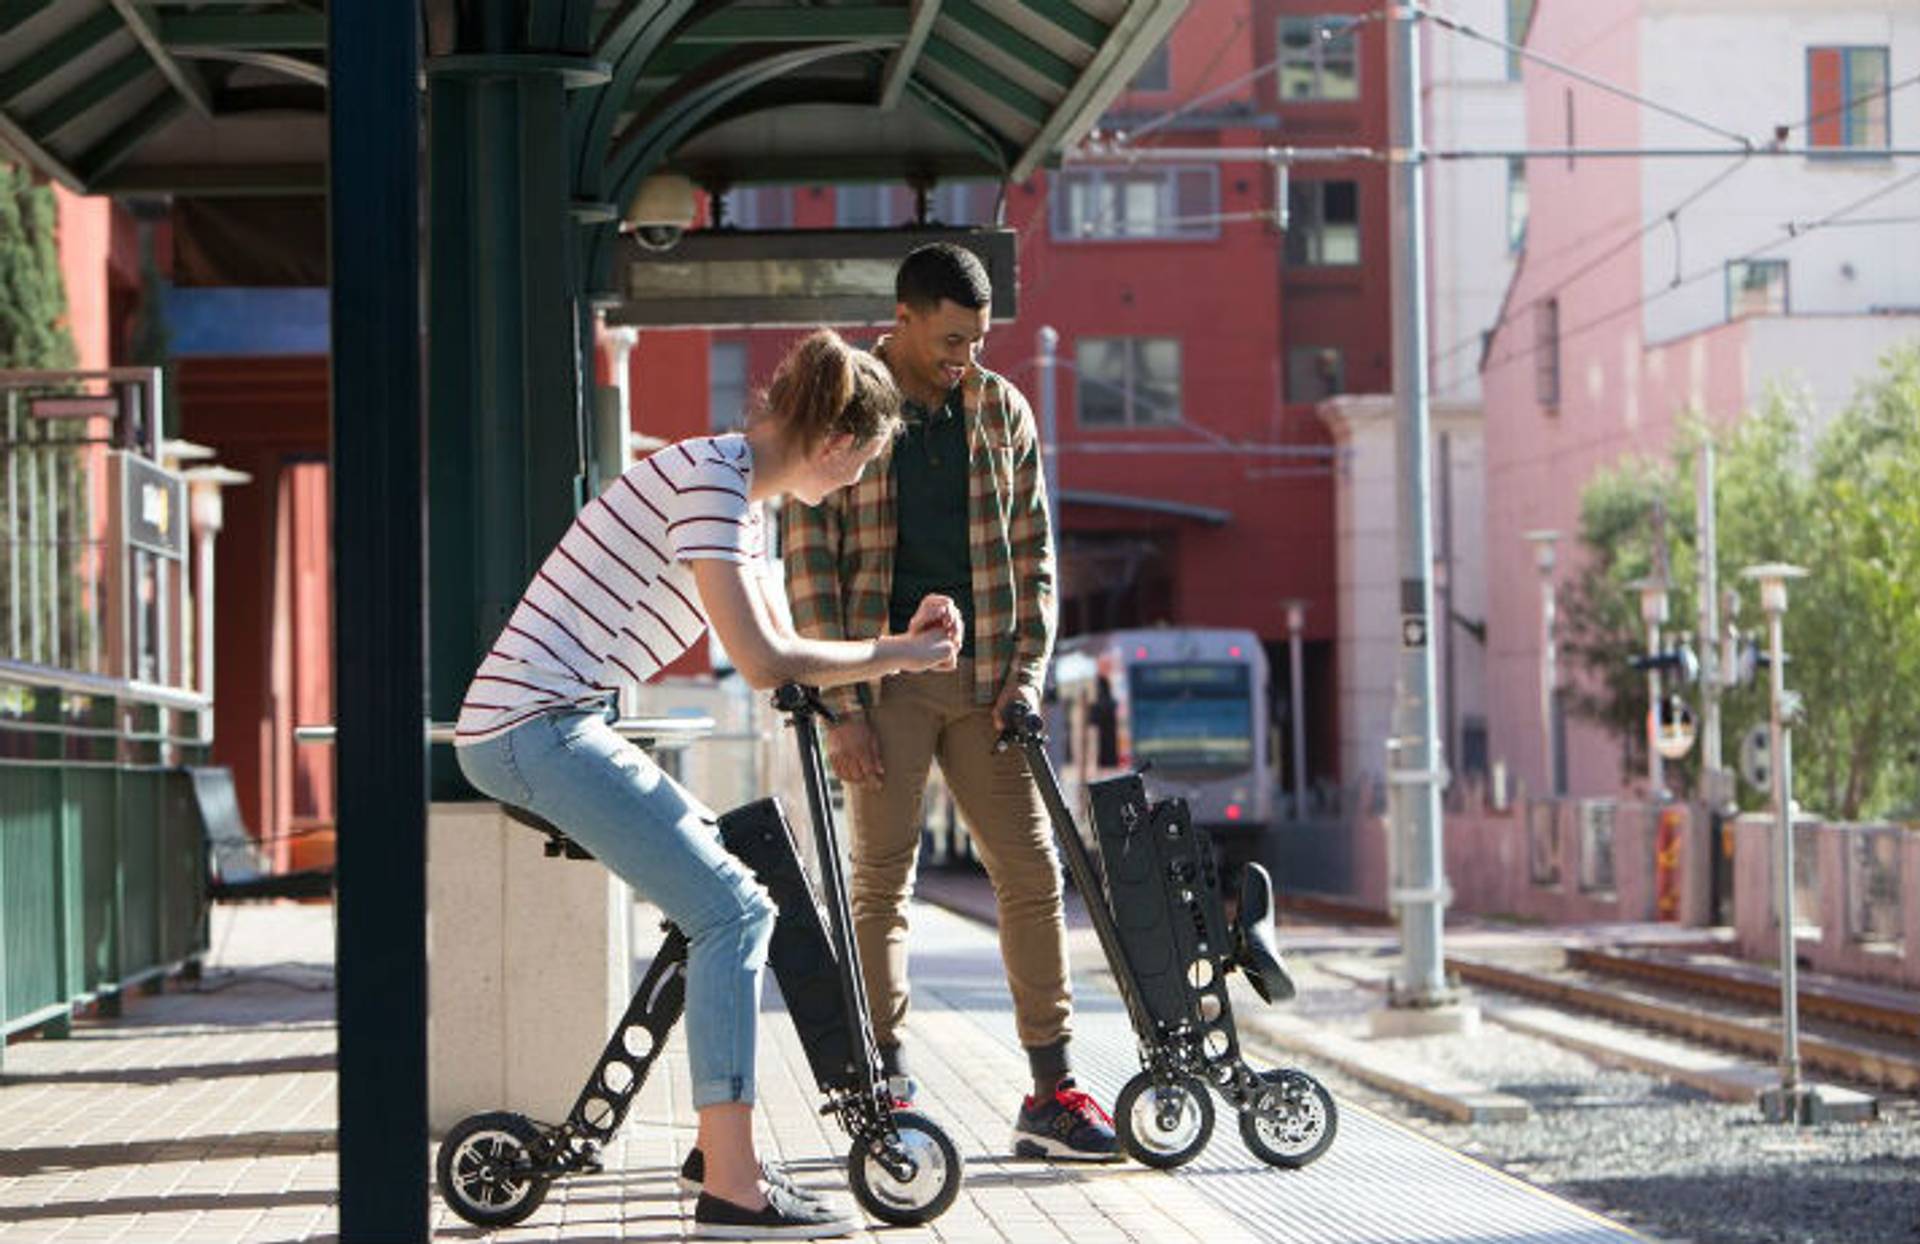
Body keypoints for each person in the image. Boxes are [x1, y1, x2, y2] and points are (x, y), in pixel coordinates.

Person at [454, 329, 962, 1240]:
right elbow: (765, 660)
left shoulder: (735, 494)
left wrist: (890, 644)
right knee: (733, 909)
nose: (854, 486)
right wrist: (901, 653)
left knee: (729, 893)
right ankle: (732, 1186)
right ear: (837, 443)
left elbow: (781, 646)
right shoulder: (712, 488)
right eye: (862, 466)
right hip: (535, 727)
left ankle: (713, 1143)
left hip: (556, 722)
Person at [782, 243, 1118, 1160]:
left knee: (1033, 874)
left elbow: (1036, 552)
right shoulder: (846, 403)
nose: (964, 355)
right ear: (903, 319)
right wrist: (840, 707)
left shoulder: (1001, 407)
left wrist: (1026, 677)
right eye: (949, 339)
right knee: (882, 883)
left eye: (976, 339)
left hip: (985, 692)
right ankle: (883, 1086)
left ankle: (1053, 1091)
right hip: (882, 684)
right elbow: (809, 559)